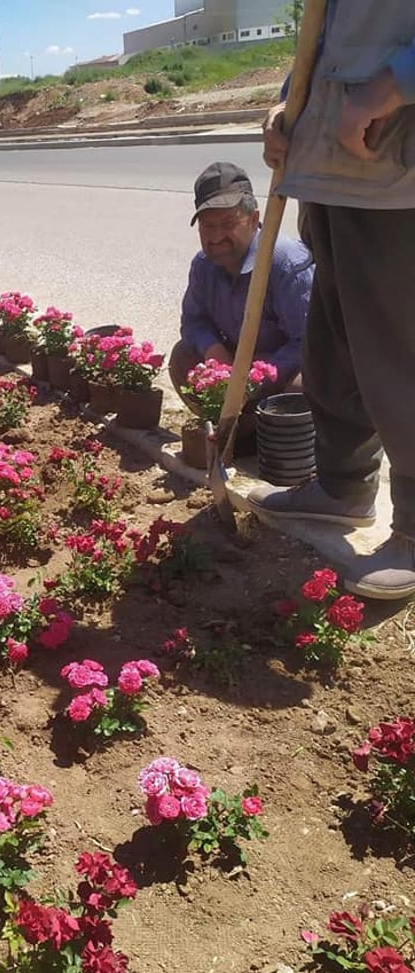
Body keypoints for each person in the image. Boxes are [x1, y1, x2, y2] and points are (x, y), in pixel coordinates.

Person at [249, 2, 415, 600]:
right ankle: (344, 489)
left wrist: (392, 87)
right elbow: (331, 41)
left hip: (395, 179)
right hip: (332, 174)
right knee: (335, 348)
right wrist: (289, 107)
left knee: (400, 359)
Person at [169, 161, 315, 439]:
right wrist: (214, 351)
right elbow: (193, 322)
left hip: (281, 368)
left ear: (253, 218)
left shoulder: (286, 263)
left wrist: (258, 375)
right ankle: (235, 430)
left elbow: (309, 342)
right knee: (182, 358)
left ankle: (280, 441)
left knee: (301, 388)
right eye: (207, 226)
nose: (216, 237)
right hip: (235, 362)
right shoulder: (203, 265)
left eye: (227, 223)